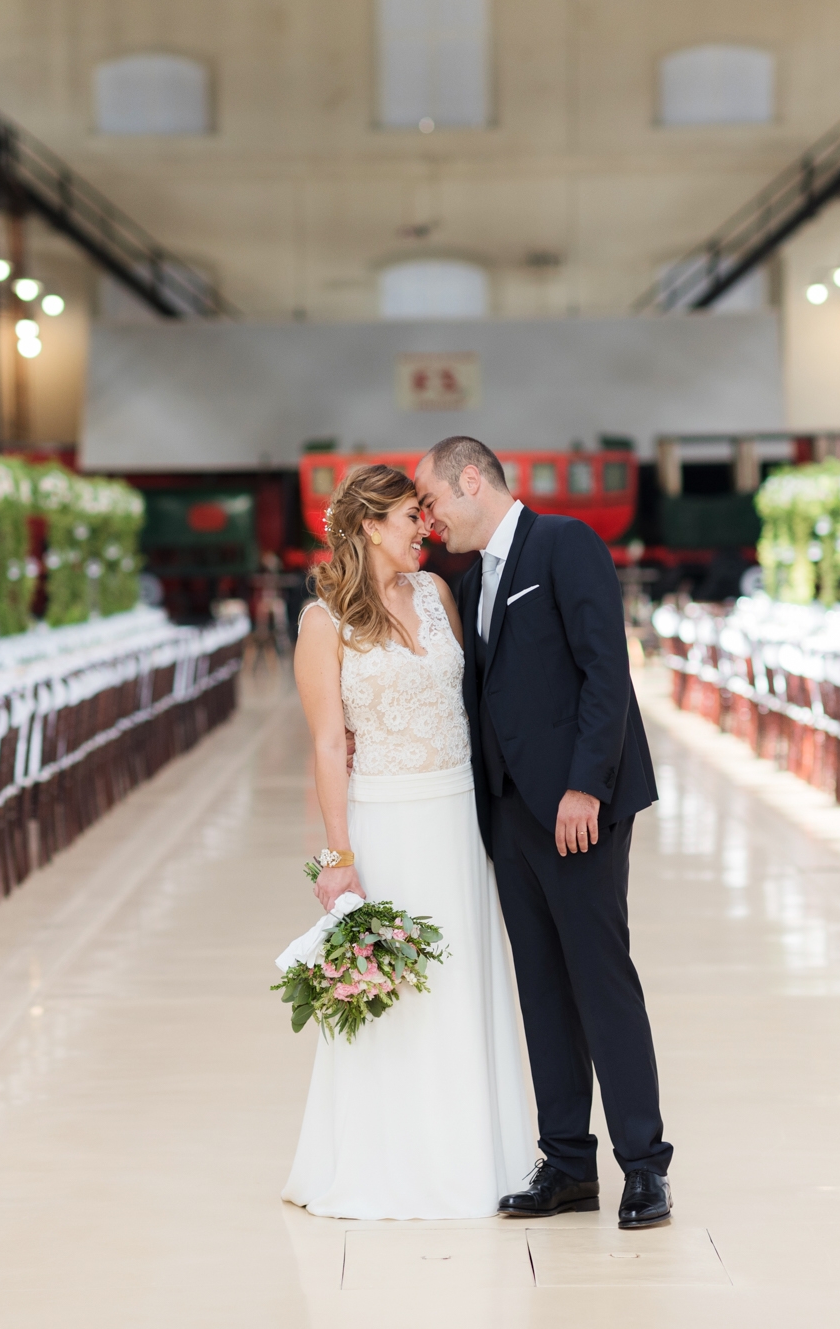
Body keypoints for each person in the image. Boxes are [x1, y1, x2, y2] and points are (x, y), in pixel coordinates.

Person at [412, 435, 673, 1231]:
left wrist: (584, 786)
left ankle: (644, 1166)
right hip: (511, 816)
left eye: (430, 501)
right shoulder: (470, 576)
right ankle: (566, 1162)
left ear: (469, 481)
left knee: (600, 977)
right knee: (543, 990)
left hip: (575, 809)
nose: (427, 520)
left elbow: (606, 672)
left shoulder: (563, 542)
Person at [282, 464, 534, 1219]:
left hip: (457, 816)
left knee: (463, 981)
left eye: (424, 517)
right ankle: (387, 1165)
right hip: (386, 819)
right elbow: (329, 745)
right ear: (368, 527)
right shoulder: (322, 622)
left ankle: (477, 1155)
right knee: (400, 990)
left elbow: (471, 697)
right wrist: (338, 858)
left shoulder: (438, 594)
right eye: (406, 518)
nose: (423, 528)